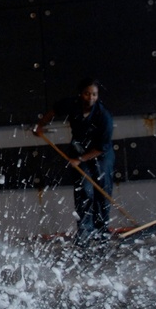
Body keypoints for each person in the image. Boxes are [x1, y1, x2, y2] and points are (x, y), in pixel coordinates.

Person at [34, 77, 115, 246]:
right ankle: (85, 231)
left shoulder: (104, 116)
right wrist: (40, 125)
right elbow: (54, 110)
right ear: (81, 94)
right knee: (84, 191)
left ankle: (101, 231)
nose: (90, 98)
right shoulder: (71, 104)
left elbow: (102, 147)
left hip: (100, 155)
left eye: (94, 94)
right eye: (87, 93)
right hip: (79, 149)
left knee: (102, 191)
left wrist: (79, 160)